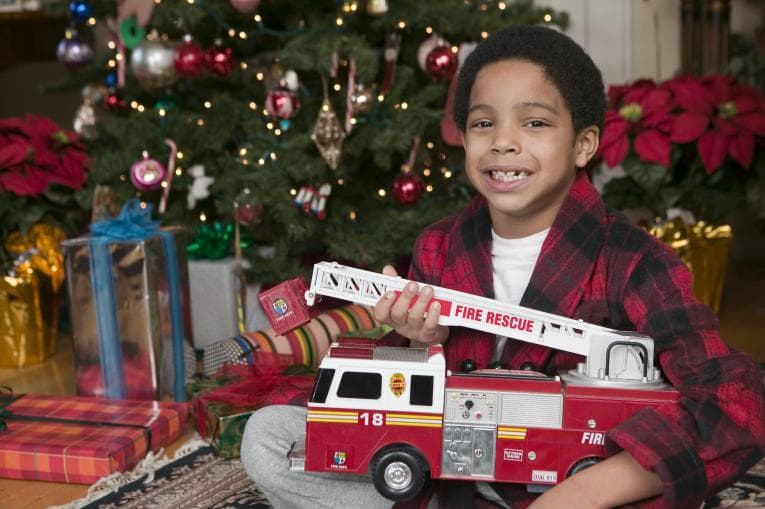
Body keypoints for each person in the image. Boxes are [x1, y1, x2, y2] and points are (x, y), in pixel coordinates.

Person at [241, 25, 765, 508]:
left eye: (534, 122)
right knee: (269, 436)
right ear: (465, 139)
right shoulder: (441, 246)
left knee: (677, 474)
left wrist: (586, 491)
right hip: (448, 478)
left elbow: (735, 400)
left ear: (584, 144)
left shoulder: (637, 262)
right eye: (483, 123)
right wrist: (424, 343)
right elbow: (404, 403)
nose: (503, 142)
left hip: (569, 486)